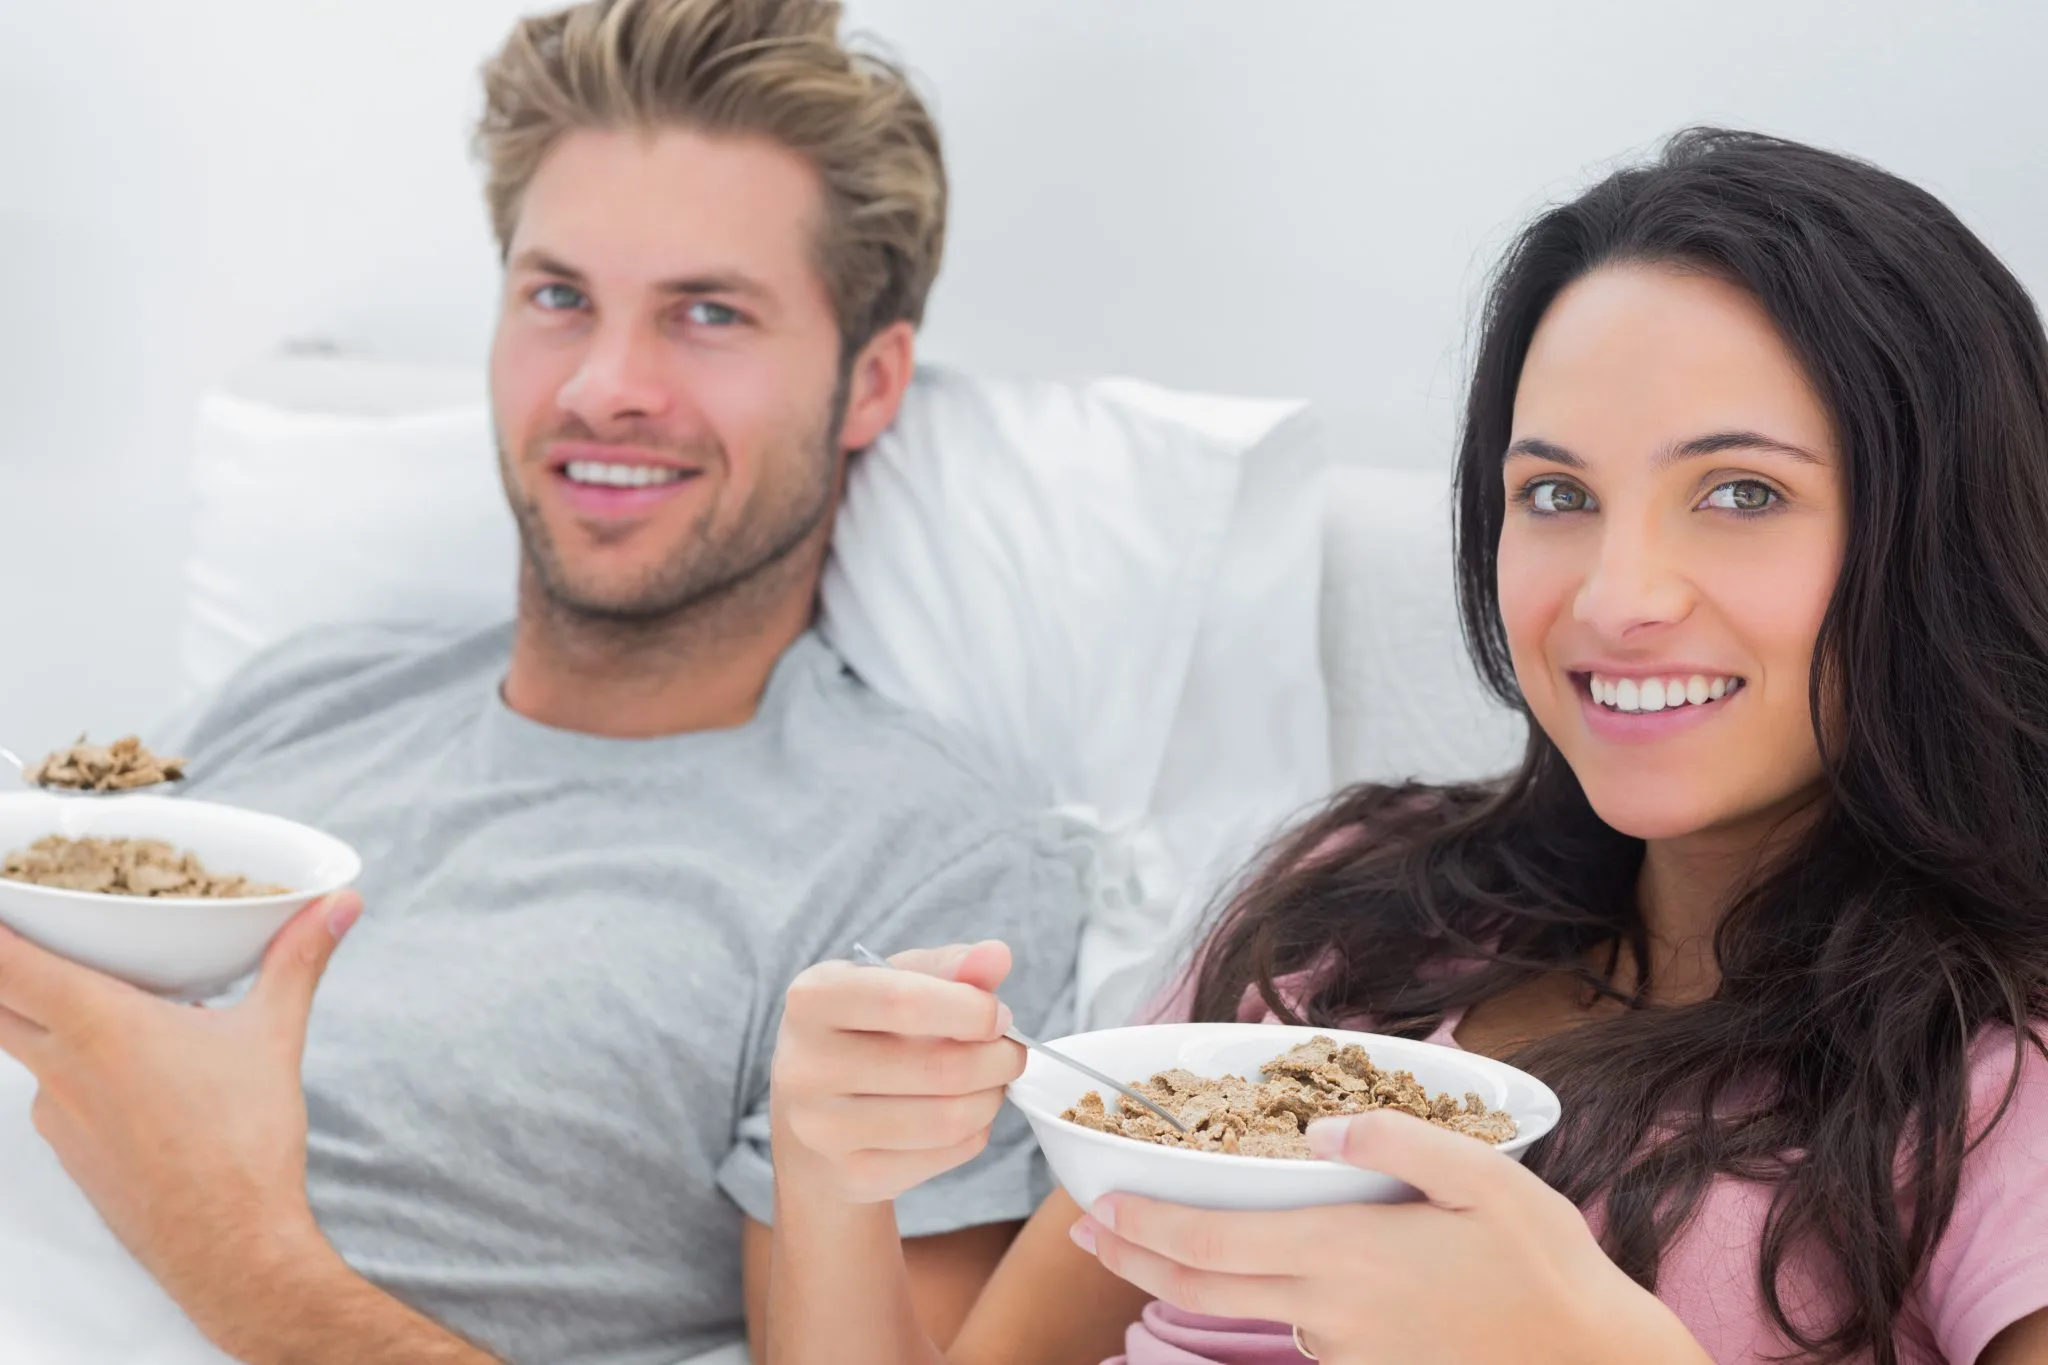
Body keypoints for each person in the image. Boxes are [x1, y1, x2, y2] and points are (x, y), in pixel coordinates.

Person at [767, 128, 2048, 1365]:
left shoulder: (1995, 1084)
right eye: (1555, 495)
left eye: (1739, 494)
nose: (1613, 596)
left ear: (1940, 532)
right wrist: (827, 1178)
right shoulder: (1359, 911)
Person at [0, 2, 1087, 1363]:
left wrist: (234, 1248)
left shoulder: (924, 867)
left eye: (707, 312)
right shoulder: (300, 699)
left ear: (868, 384)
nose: (605, 385)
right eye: (560, 297)